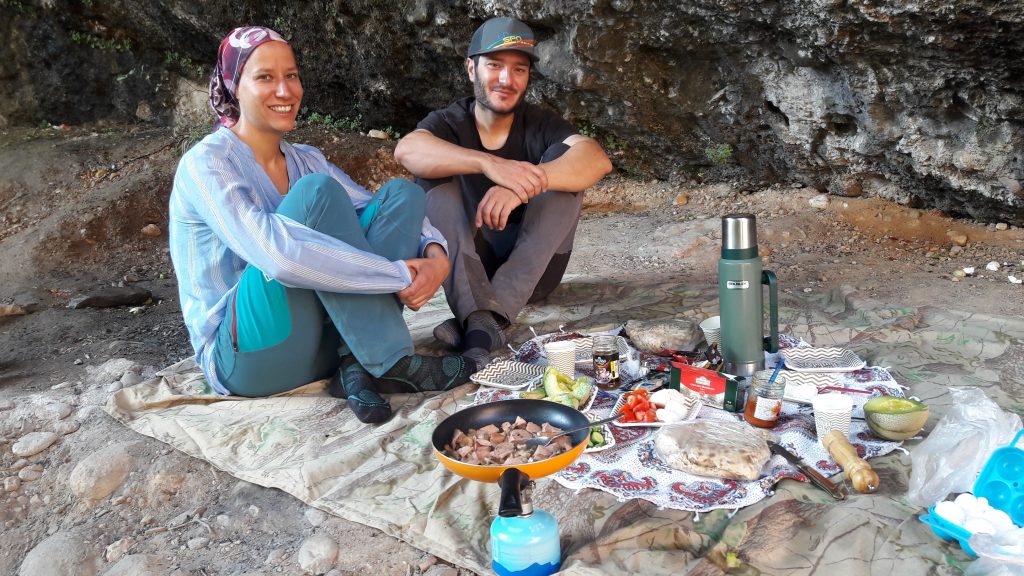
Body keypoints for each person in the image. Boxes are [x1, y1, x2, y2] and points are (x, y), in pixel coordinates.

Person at [169, 26, 475, 424]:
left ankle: (356, 363)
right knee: (317, 196)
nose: (284, 90)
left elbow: (378, 209)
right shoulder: (208, 164)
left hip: (321, 346)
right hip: (249, 357)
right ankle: (395, 363)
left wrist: (437, 257)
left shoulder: (305, 158)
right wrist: (396, 275)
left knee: (404, 195)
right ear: (233, 87)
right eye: (265, 77)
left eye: (291, 75)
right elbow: (280, 259)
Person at [394, 16, 612, 366]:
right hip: (471, 265)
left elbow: (596, 159)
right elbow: (408, 150)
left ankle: (479, 320)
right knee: (431, 178)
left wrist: (526, 184)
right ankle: (484, 321)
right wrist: (488, 164)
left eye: (519, 70)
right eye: (494, 65)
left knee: (563, 167)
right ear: (471, 68)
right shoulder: (449, 122)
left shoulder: (540, 122)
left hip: (534, 274)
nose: (506, 80)